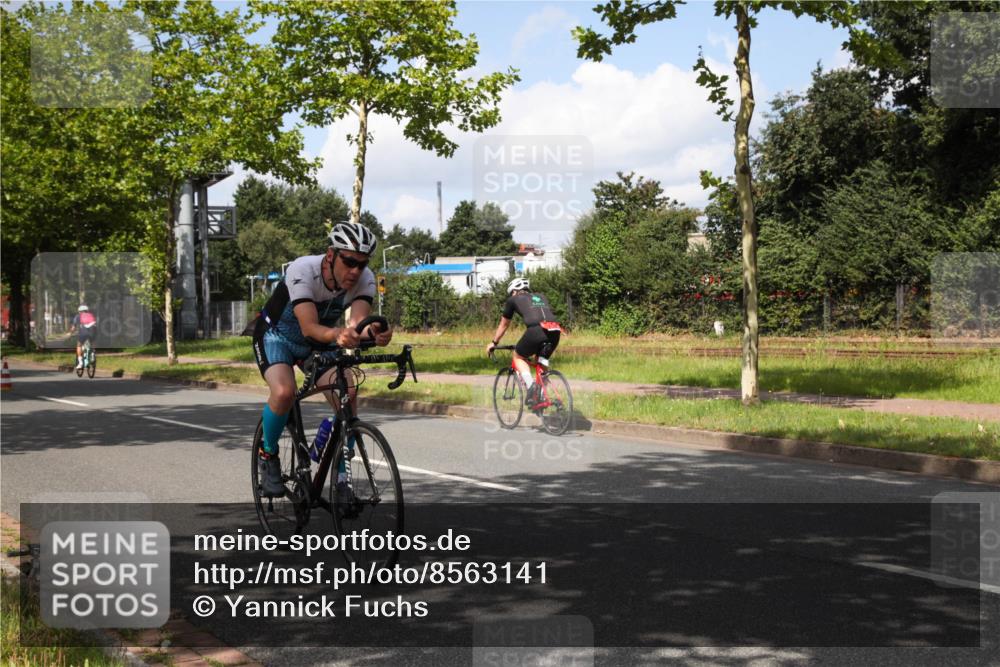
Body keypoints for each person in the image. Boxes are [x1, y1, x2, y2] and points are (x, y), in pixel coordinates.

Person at [252, 221, 392, 497]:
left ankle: (342, 476)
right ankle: (267, 455)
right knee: (283, 392)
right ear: (331, 255)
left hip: (320, 342)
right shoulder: (303, 270)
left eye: (361, 264)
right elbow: (308, 327)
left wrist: (374, 331)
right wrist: (340, 334)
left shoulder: (365, 278)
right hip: (276, 336)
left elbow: (359, 323)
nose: (355, 271)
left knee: (348, 391)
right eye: (349, 261)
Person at [486, 277, 563, 408]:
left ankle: (531, 385)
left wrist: (494, 342)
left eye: (511, 293)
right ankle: (542, 396)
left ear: (514, 291)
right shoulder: (540, 296)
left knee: (517, 356)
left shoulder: (513, 299)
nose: (511, 296)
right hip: (555, 330)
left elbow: (504, 324)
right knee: (541, 361)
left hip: (537, 330)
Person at [70, 305, 97, 369]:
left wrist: (71, 333)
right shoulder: (91, 315)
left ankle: (80, 363)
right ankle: (93, 354)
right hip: (93, 331)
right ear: (87, 310)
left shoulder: (77, 316)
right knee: (93, 342)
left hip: (83, 332)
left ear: (79, 311)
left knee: (79, 345)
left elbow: (73, 327)